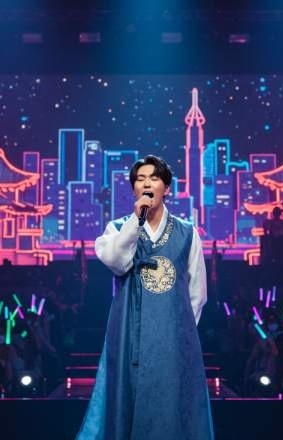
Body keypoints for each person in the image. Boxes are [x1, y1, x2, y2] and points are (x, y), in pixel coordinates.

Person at [76, 155, 214, 439]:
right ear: (134, 189)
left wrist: (179, 331)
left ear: (167, 187)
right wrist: (135, 223)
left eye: (154, 178)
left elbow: (197, 294)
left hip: (173, 339)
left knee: (172, 407)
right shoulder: (117, 229)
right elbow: (117, 262)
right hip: (129, 334)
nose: (147, 184)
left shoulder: (187, 233)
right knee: (125, 400)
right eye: (140, 179)